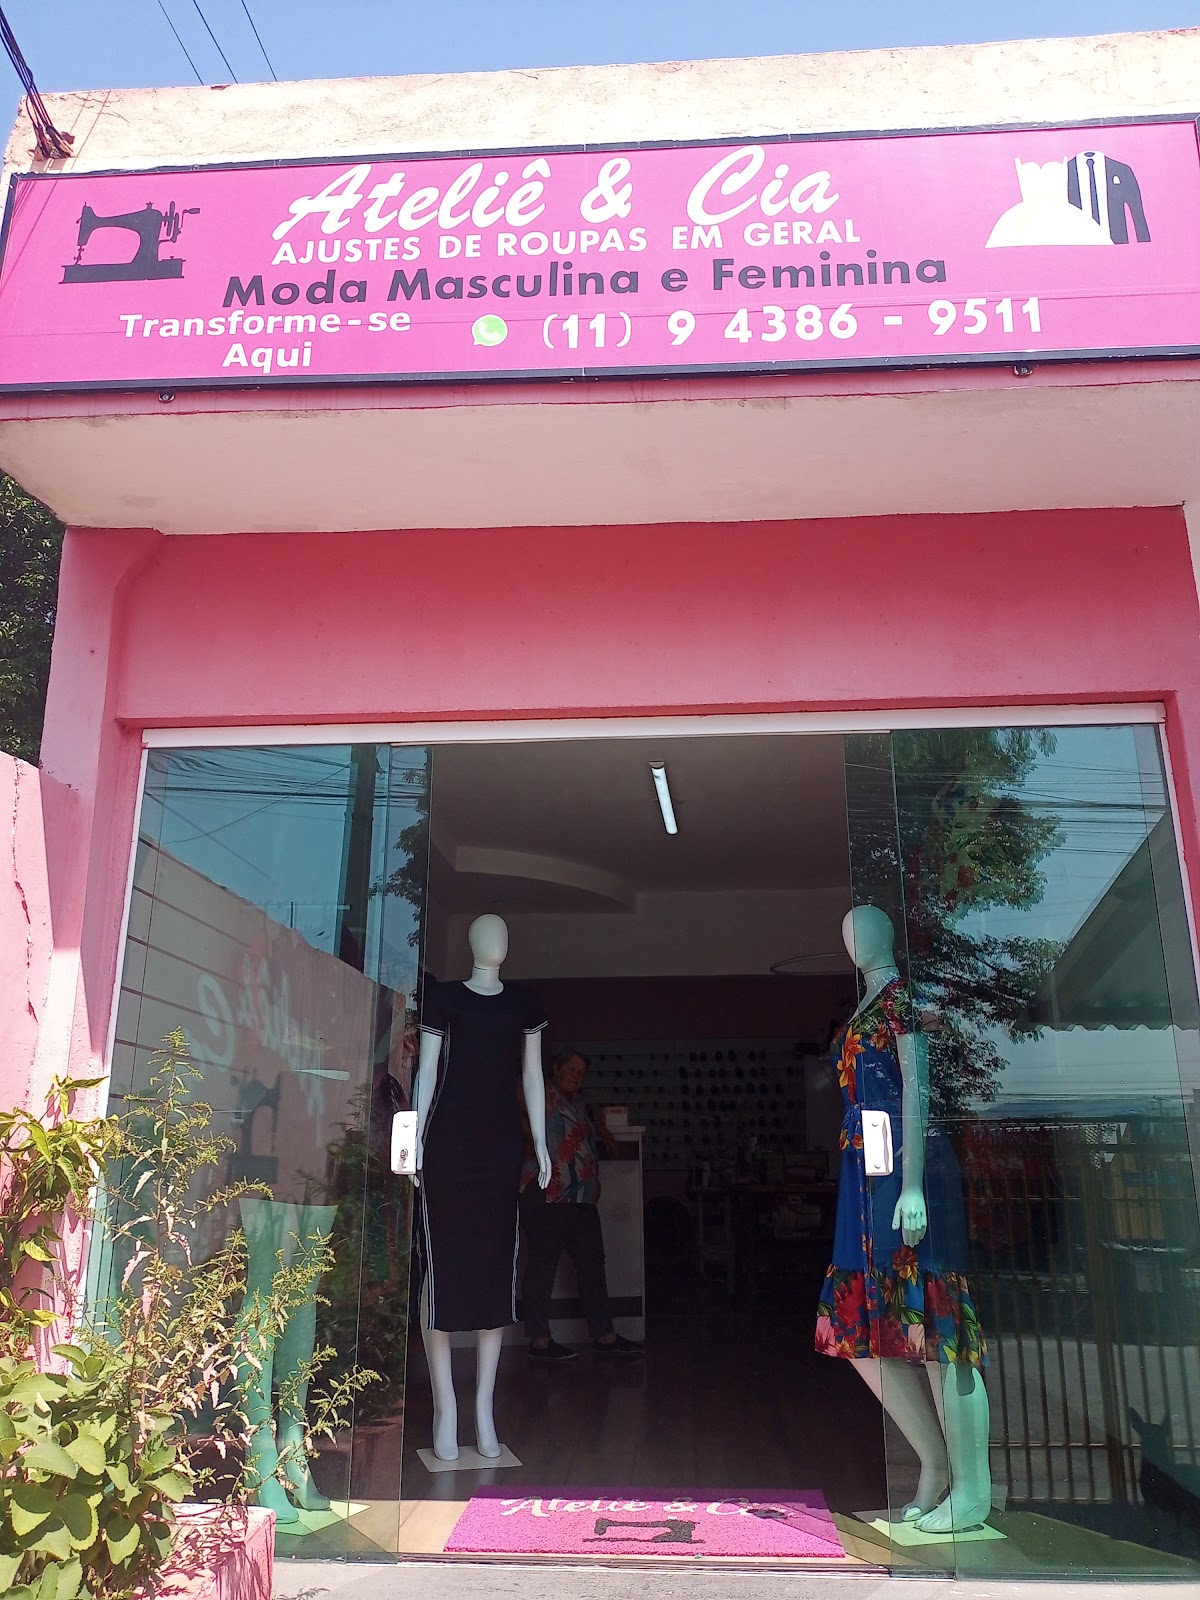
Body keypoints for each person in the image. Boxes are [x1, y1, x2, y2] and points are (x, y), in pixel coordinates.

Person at [519, 1049, 643, 1361]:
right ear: (556, 1069)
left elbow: (576, 1132)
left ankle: (604, 1335)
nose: (577, 1076)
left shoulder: (576, 1103)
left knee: (592, 1264)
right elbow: (519, 1098)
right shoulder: (540, 1092)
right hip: (548, 1193)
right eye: (572, 1069)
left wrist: (600, 1128)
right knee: (543, 1265)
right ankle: (539, 1341)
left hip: (581, 1197)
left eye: (581, 1073)